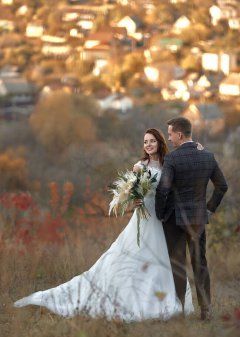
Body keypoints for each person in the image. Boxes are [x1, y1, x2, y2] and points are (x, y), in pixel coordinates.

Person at [14, 128, 194, 321]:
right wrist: (135, 201)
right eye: (145, 142)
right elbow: (133, 193)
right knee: (131, 257)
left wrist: (197, 147)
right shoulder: (139, 166)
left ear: (159, 142)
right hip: (143, 218)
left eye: (152, 141)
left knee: (163, 260)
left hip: (162, 220)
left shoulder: (169, 164)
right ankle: (132, 300)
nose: (148, 145)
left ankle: (163, 300)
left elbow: (174, 185)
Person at [155, 117, 228, 321]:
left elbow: (163, 190)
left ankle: (180, 309)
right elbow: (223, 186)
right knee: (200, 263)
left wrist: (160, 213)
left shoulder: (172, 159)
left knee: (178, 264)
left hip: (174, 220)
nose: (168, 138)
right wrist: (209, 209)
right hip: (197, 218)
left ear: (179, 134)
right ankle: (206, 310)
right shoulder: (208, 156)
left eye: (170, 134)